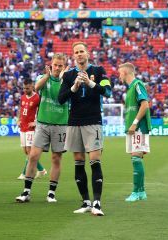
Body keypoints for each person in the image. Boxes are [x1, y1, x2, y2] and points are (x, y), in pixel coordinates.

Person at [58, 41, 111, 216]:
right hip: (74, 122)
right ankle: (86, 201)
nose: (79, 54)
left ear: (87, 53)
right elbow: (61, 99)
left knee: (95, 160)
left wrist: (90, 83)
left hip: (93, 120)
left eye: (82, 51)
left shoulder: (99, 70)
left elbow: (108, 92)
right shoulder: (68, 75)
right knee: (78, 161)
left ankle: (97, 203)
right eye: (76, 52)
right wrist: (73, 87)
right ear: (73, 56)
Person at [15, 53, 69, 204]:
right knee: (33, 156)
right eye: (55, 65)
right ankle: (26, 192)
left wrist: (65, 78)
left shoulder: (68, 79)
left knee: (56, 158)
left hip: (61, 124)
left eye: (60, 66)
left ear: (64, 66)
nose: (57, 68)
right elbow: (37, 88)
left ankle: (51, 193)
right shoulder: (42, 77)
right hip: (43, 123)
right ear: (51, 64)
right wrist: (48, 75)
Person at [119, 63, 151, 202]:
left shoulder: (138, 84)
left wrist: (134, 123)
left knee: (136, 158)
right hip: (132, 129)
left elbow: (145, 104)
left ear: (126, 72)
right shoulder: (131, 88)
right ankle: (141, 191)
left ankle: (136, 192)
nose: (119, 75)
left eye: (120, 72)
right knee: (135, 158)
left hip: (138, 128)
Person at [17, 81, 47, 180]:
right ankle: (42, 170)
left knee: (30, 151)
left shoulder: (37, 98)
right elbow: (21, 109)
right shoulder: (23, 97)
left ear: (32, 87)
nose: (25, 90)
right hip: (23, 126)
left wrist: (35, 122)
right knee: (26, 151)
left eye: (27, 88)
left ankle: (25, 173)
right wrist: (19, 119)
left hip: (31, 128)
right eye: (24, 88)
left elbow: (42, 110)